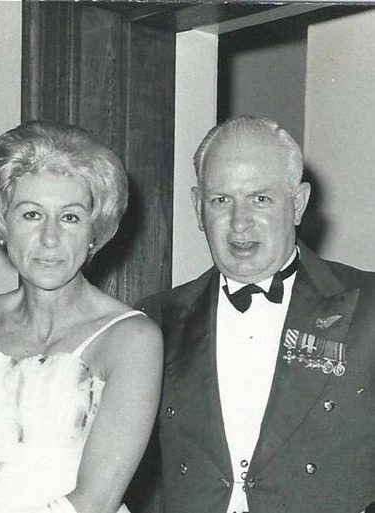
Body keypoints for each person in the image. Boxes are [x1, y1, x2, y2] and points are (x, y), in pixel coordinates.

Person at [0, 120, 162, 513]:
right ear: (2, 223)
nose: (50, 238)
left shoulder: (132, 340)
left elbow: (94, 501)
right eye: (31, 215)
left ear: (95, 229)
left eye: (70, 217)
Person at [129, 116, 375, 513]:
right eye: (220, 200)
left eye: (260, 198)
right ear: (197, 207)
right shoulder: (152, 322)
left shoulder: (368, 308)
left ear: (298, 204)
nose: (239, 222)